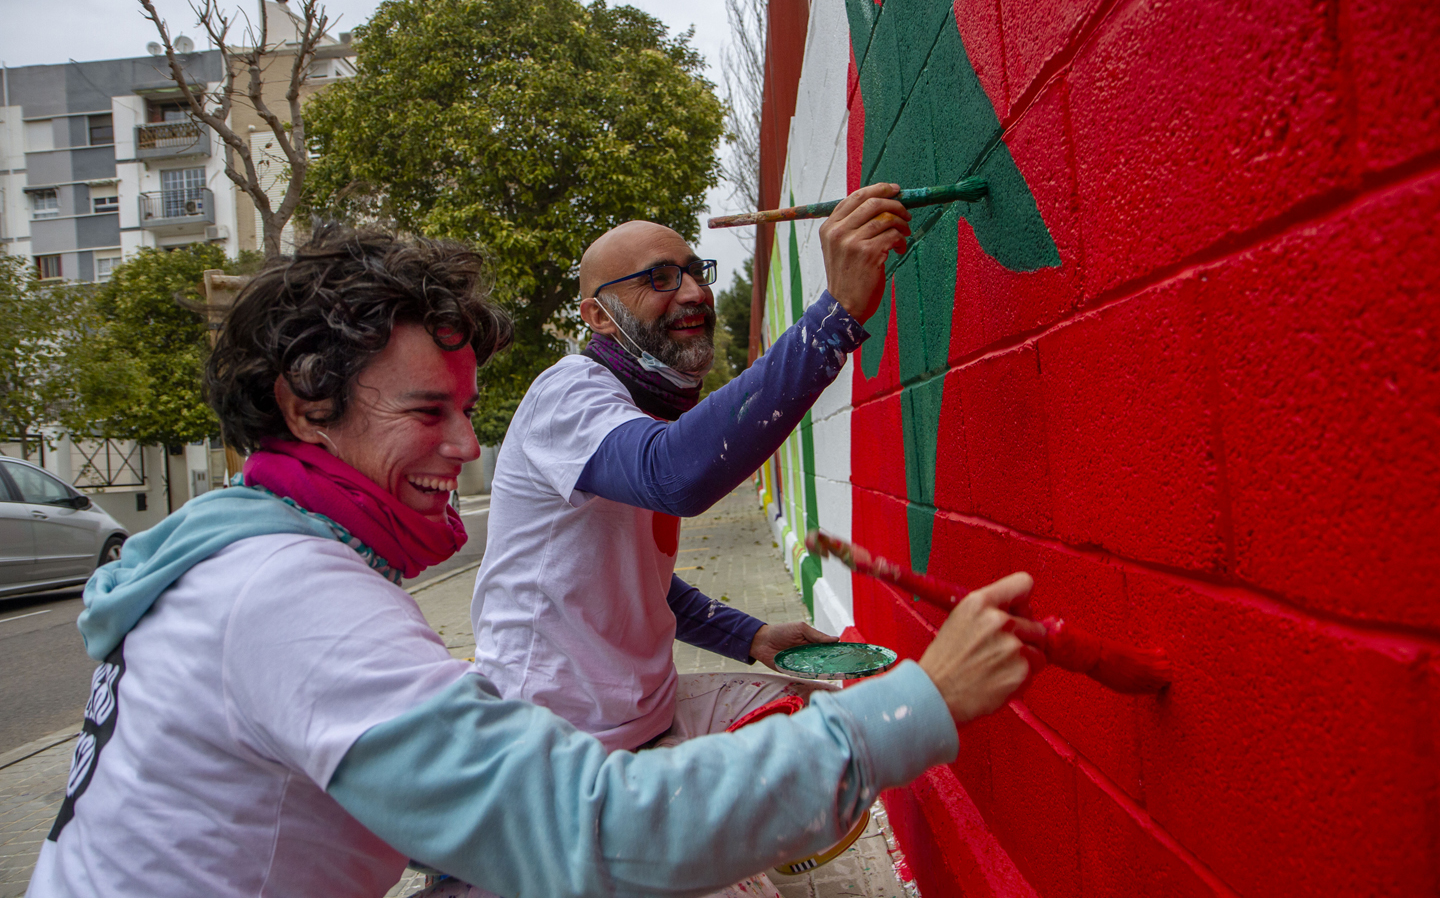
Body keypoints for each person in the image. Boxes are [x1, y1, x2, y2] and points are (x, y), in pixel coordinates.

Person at [28, 226, 1044, 898]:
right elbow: (585, 825)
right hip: (576, 741)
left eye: (467, 411)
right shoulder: (293, 597)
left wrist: (746, 634)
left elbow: (632, 577)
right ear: (306, 407)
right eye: (428, 411)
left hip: (610, 735)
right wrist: (917, 707)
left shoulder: (256, 558)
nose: (471, 447)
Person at [472, 184, 916, 755]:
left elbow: (639, 585)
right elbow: (674, 475)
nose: (693, 293)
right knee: (834, 751)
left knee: (837, 726)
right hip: (553, 745)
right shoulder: (567, 394)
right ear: (597, 315)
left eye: (694, 271)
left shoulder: (638, 408)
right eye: (659, 278)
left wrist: (753, 636)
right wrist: (833, 319)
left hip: (642, 718)